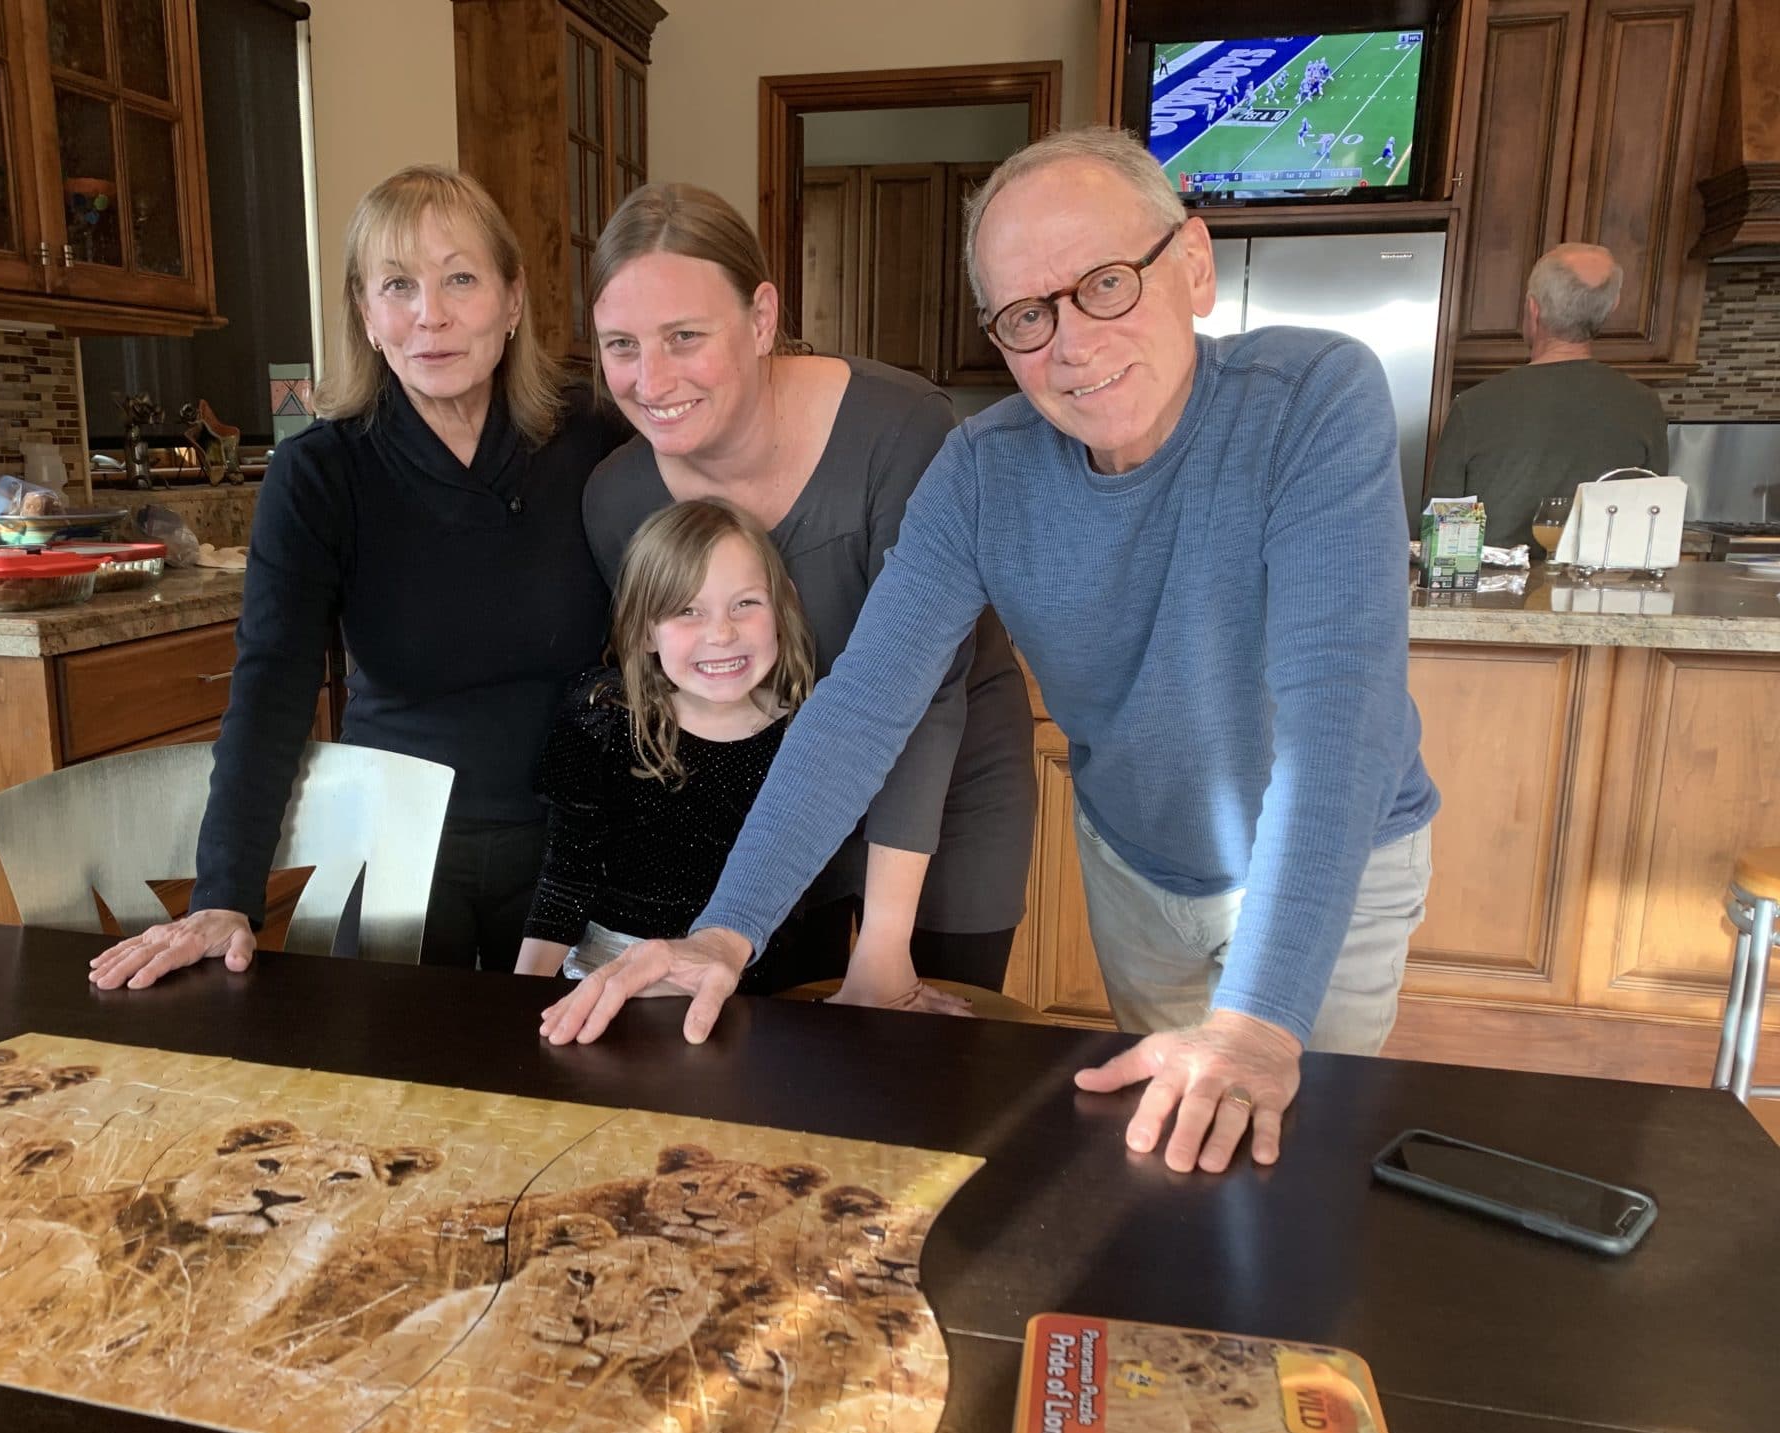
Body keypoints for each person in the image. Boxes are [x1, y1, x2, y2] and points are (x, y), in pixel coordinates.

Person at [542, 126, 1437, 1182]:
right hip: (1136, 861)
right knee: (1170, 1163)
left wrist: (1257, 1022)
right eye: (1025, 315)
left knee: (1284, 1159)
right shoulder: (982, 468)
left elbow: (1335, 720)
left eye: (1105, 283)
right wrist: (723, 934)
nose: (1070, 342)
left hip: (1329, 858)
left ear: (1190, 267)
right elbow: (866, 702)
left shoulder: (1312, 397)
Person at [89, 166, 628, 990]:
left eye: (460, 279)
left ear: (513, 300)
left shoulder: (591, 438)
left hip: (577, 841)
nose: (430, 315)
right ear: (367, 315)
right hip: (392, 847)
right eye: (398, 286)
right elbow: (271, 684)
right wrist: (224, 893)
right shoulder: (321, 473)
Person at [580, 183, 1035, 1011]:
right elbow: (663, 700)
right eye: (621, 344)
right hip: (773, 804)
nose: (652, 379)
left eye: (686, 336)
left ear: (760, 318)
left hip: (945, 785)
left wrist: (886, 952)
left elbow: (923, 692)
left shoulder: (903, 431)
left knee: (926, 1062)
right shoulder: (616, 499)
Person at [515, 500, 816, 989]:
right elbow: (566, 879)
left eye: (745, 603)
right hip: (606, 974)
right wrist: (523, 997)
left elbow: (791, 906)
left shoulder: (808, 735)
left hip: (745, 984)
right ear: (645, 631)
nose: (721, 632)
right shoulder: (603, 717)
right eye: (686, 610)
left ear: (784, 608)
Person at [1426, 243, 1668, 548]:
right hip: (1600, 594)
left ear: (1533, 308)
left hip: (1490, 595)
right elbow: (1651, 526)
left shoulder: (1474, 407)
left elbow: (1444, 534)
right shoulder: (1644, 407)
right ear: (1612, 307)